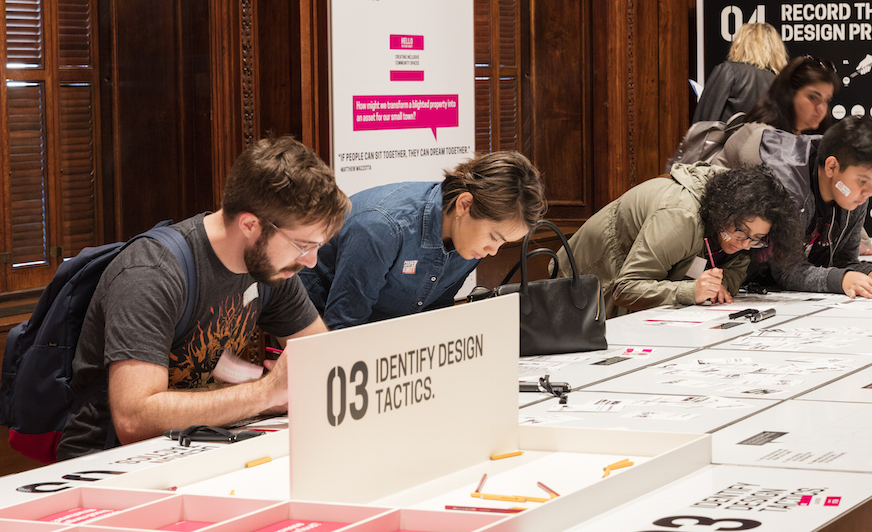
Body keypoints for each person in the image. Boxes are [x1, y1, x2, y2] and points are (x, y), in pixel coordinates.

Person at [58, 137, 350, 460]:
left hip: (200, 450)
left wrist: (292, 387)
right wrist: (266, 392)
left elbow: (324, 362)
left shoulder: (273, 269)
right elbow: (134, 418)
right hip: (108, 463)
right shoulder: (152, 272)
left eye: (318, 247)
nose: (311, 262)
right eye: (303, 246)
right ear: (250, 225)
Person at [300, 152, 547, 330]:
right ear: (465, 204)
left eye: (502, 244)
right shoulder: (382, 228)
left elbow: (435, 311)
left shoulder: (469, 242)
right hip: (315, 334)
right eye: (494, 237)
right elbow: (343, 326)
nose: (493, 251)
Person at [558, 163, 799, 317]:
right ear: (725, 211)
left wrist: (718, 286)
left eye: (757, 239)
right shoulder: (681, 217)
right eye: (741, 233)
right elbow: (626, 288)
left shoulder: (741, 223)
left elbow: (734, 272)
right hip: (584, 285)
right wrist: (690, 290)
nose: (745, 244)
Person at [725, 115, 872, 298]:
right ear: (832, 167)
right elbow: (787, 271)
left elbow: (843, 260)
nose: (869, 191)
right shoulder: (790, 193)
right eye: (862, 180)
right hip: (743, 286)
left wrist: (868, 273)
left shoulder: (854, 196)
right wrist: (840, 280)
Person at [713, 54, 840, 169]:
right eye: (813, 97)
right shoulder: (762, 137)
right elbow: (757, 192)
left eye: (826, 100)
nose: (821, 108)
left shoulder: (802, 135)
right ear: (788, 94)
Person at [692, 22, 787, 124]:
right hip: (765, 140)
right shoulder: (781, 85)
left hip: (729, 139)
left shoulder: (729, 71)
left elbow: (702, 124)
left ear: (741, 44)